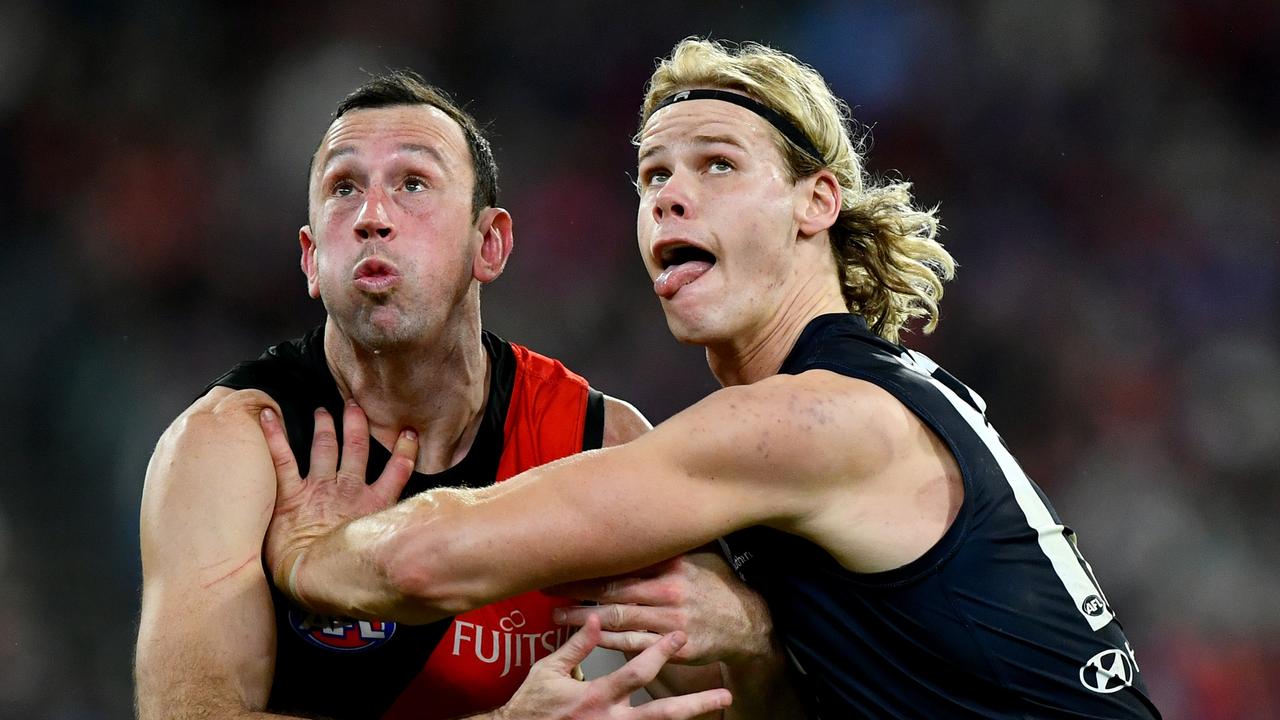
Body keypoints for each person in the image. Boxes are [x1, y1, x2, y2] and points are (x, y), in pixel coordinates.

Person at [259, 39, 1164, 719]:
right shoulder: (880, 390)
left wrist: (305, 559)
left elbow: (428, 559)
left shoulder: (809, 419)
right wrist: (763, 641)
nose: (669, 196)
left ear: (817, 203)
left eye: (717, 165)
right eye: (653, 174)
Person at [134, 70, 793, 720]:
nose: (372, 217)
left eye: (413, 183)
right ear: (311, 259)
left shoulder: (593, 441)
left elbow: (745, 707)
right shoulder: (232, 444)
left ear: (491, 243)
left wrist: (752, 635)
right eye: (343, 188)